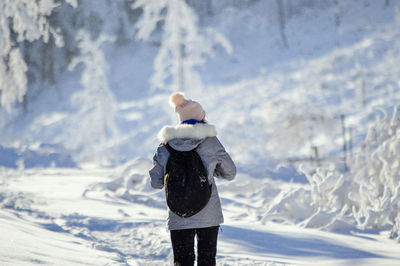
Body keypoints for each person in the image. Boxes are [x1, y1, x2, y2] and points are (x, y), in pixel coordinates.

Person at [149, 92, 236, 266]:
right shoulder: (211, 142)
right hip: (209, 215)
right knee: (207, 260)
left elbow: (156, 182)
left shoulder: (165, 146)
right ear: (201, 118)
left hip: (178, 214)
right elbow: (230, 173)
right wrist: (212, 170)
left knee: (182, 262)